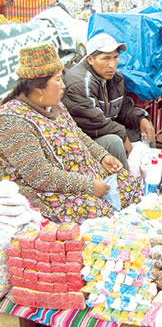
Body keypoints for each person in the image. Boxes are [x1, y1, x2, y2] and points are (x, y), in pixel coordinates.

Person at [0, 42, 142, 224]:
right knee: (98, 210)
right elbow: (40, 175)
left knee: (128, 184)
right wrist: (89, 186)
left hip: (80, 175)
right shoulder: (12, 121)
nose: (63, 86)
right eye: (58, 80)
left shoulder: (55, 106)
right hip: (47, 191)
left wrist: (102, 156)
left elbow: (77, 134)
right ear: (39, 88)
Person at [62, 33, 155, 168]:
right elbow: (93, 122)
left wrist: (141, 119)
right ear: (90, 59)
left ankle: (149, 173)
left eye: (115, 57)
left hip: (104, 127)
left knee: (144, 128)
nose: (112, 65)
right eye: (105, 58)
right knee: (114, 141)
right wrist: (122, 135)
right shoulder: (80, 83)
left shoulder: (115, 78)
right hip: (84, 138)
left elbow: (123, 108)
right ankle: (127, 183)